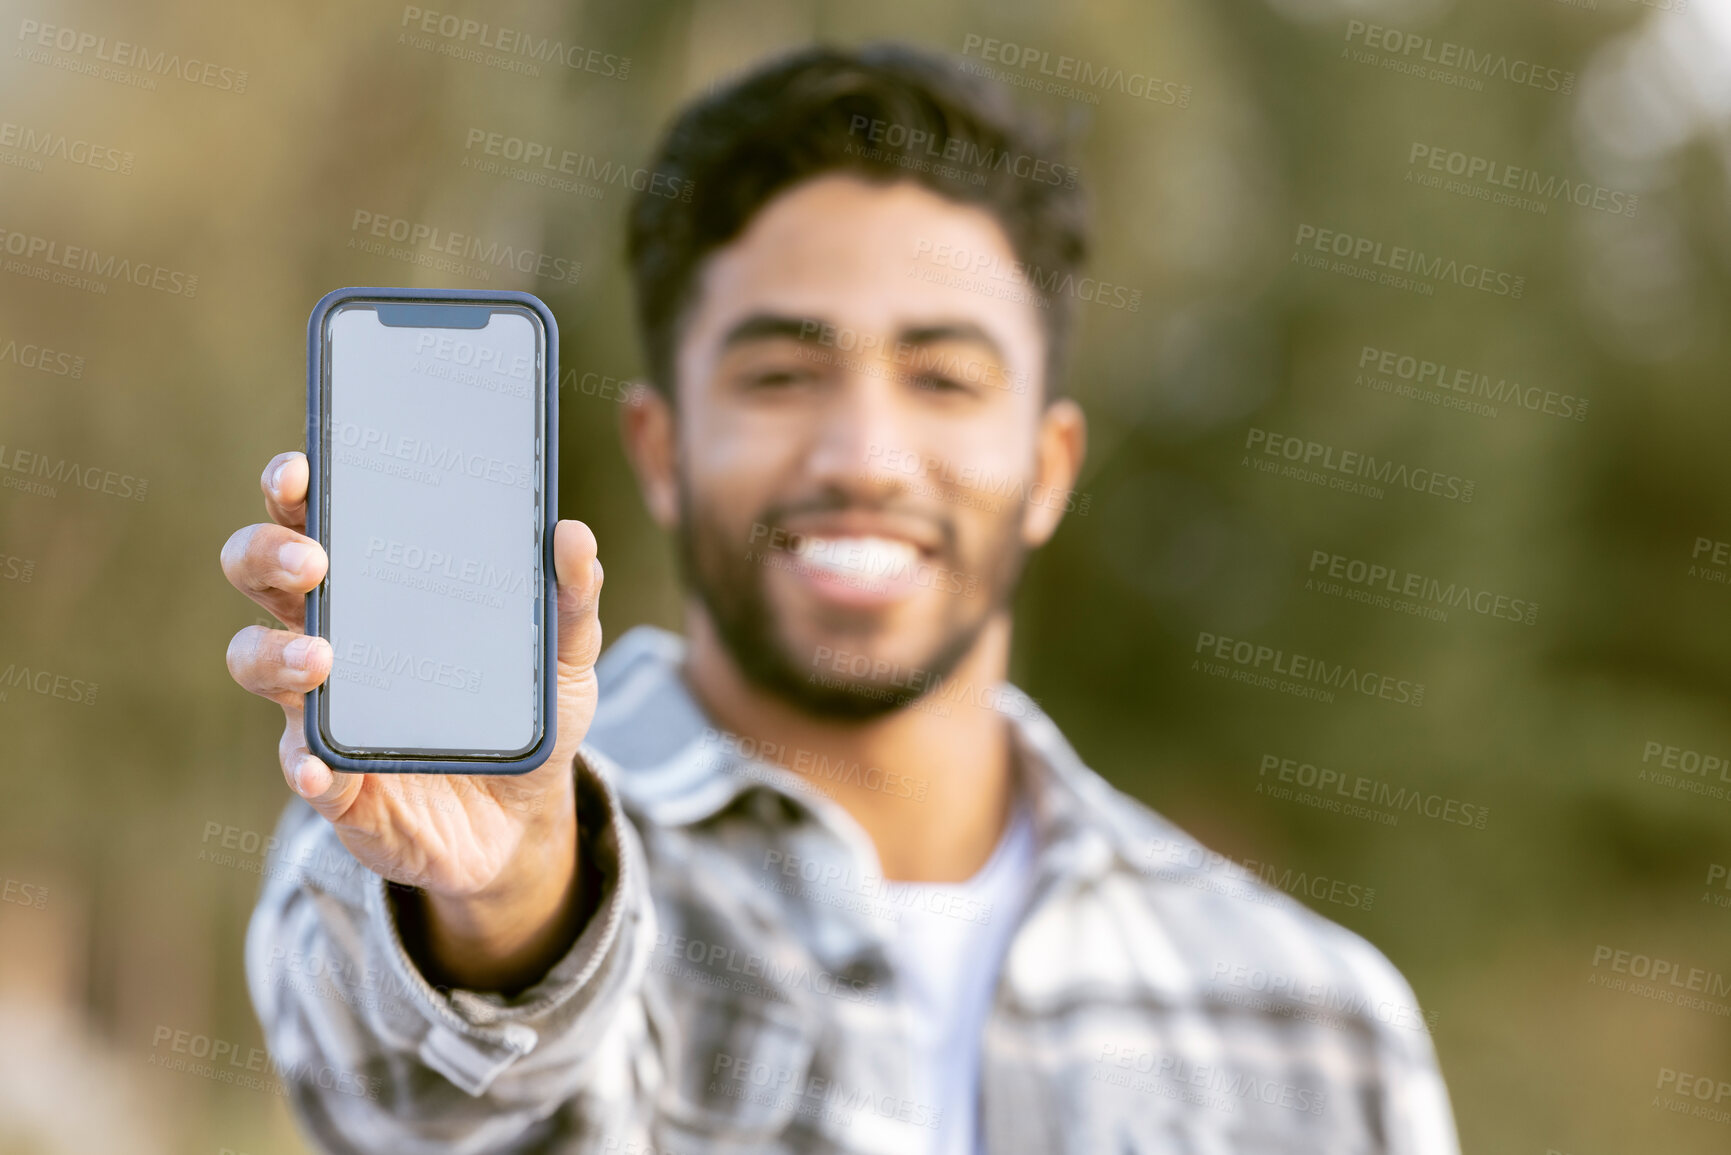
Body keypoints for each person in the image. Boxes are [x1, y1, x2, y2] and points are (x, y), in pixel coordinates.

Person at [221, 43, 1460, 1155]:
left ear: (1047, 466)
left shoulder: (1320, 1028)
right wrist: (507, 905)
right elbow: (423, 1107)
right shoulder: (410, 854)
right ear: (660, 450)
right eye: (780, 373)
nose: (864, 454)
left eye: (944, 378)